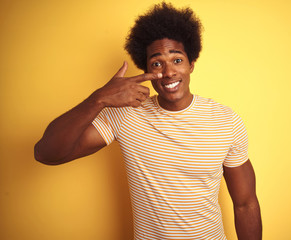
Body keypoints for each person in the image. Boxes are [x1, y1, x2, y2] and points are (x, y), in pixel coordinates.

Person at [34, 2, 262, 239]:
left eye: (177, 60)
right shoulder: (125, 114)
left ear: (191, 64)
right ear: (147, 70)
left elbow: (246, 203)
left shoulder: (226, 121)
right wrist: (98, 98)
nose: (168, 72)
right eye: (156, 63)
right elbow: (46, 153)